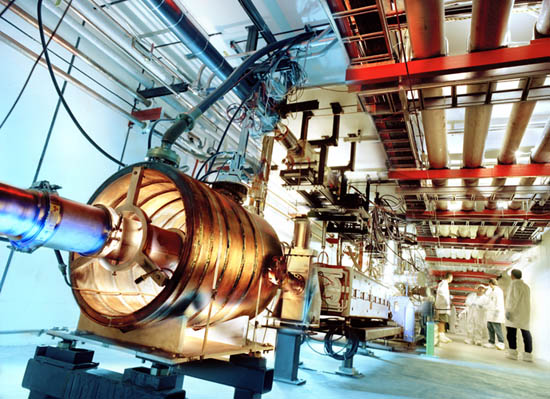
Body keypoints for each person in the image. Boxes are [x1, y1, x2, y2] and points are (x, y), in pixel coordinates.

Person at [505, 269, 533, 362]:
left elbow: (513, 299)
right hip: (524, 313)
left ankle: (513, 352)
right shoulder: (526, 286)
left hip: (514, 313)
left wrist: (509, 310)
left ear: (512, 275)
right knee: (526, 332)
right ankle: (528, 354)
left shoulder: (514, 285)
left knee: (511, 333)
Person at [483, 278, 506, 350]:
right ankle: (491, 342)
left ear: (491, 283)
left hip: (496, 313)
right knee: (489, 327)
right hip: (490, 313)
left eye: (489, 284)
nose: (489, 286)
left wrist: (497, 312)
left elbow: (498, 302)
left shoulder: (498, 291)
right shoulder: (492, 291)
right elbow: (490, 302)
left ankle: (501, 342)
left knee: (497, 328)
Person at [435, 272, 453, 343]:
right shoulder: (444, 284)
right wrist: (446, 301)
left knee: (443, 321)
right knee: (442, 321)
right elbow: (441, 292)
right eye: (452, 277)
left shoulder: (444, 284)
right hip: (442, 306)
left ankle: (442, 334)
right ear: (449, 277)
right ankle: (440, 335)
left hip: (443, 306)